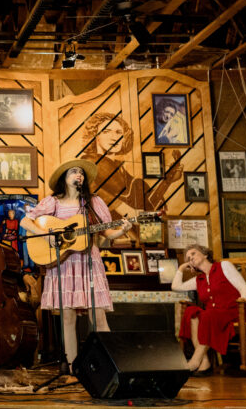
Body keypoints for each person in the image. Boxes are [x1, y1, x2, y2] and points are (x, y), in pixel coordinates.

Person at [20, 159, 132, 366]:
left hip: (89, 263)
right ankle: (72, 368)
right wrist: (47, 235)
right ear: (65, 178)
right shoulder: (52, 202)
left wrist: (123, 230)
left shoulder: (93, 202)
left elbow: (106, 231)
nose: (78, 175)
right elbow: (25, 221)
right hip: (63, 265)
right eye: (73, 172)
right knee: (68, 318)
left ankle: (111, 366)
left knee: (98, 317)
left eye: (81, 173)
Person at [171, 244, 246, 374]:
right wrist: (181, 268)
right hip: (213, 316)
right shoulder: (199, 279)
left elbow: (243, 287)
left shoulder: (223, 266)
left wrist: (245, 298)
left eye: (193, 253)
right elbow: (176, 286)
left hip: (233, 312)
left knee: (208, 314)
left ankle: (195, 360)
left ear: (205, 254)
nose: (190, 258)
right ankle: (205, 361)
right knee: (191, 312)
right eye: (188, 258)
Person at [81, 113, 177, 219]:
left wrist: (167, 181)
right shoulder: (90, 164)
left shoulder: (117, 167)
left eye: (118, 132)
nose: (114, 137)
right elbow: (92, 193)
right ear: (95, 136)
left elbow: (140, 198)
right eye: (106, 131)